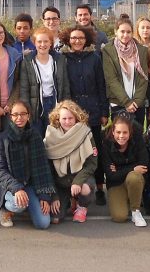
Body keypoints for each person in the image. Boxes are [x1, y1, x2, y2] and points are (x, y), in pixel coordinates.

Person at [0, 99, 58, 229]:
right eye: (15, 114)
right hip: (10, 186)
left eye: (23, 114)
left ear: (28, 115)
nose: (19, 118)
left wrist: (44, 195)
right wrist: (16, 188)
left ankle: (30, 204)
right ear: (10, 117)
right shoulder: (2, 139)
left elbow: (43, 167)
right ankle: (6, 209)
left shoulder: (35, 136)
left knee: (43, 223)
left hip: (31, 185)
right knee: (18, 205)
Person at [62, 24, 108, 203]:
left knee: (95, 151)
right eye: (73, 38)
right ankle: (73, 189)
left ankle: (99, 188)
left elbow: (101, 85)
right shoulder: (63, 58)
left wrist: (104, 111)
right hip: (73, 112)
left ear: (87, 40)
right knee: (73, 150)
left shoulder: (95, 58)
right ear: (68, 40)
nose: (77, 41)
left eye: (81, 38)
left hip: (93, 110)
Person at [44, 100, 98, 223]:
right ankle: (67, 201)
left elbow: (92, 163)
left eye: (71, 118)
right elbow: (48, 169)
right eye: (64, 118)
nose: (67, 122)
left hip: (79, 177)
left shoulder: (85, 133)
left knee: (85, 188)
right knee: (55, 219)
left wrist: (78, 182)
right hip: (60, 182)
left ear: (77, 118)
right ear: (58, 118)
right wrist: (54, 196)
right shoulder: (50, 135)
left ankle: (82, 206)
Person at [101, 115, 148, 226]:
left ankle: (136, 211)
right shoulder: (106, 144)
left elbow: (144, 165)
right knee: (119, 217)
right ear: (113, 132)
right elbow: (111, 176)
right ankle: (127, 198)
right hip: (115, 183)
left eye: (125, 132)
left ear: (130, 132)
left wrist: (119, 169)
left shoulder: (137, 141)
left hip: (132, 180)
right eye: (118, 132)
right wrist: (132, 167)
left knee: (134, 177)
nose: (121, 136)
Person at [102, 17, 149, 126]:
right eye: (122, 31)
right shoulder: (108, 51)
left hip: (138, 103)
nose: (125, 35)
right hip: (118, 102)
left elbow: (144, 77)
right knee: (120, 137)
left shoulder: (141, 50)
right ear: (116, 32)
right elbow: (111, 79)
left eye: (128, 32)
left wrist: (136, 101)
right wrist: (127, 102)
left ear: (132, 33)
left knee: (137, 136)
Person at [21, 26, 70, 125]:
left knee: (53, 135)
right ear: (34, 43)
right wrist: (26, 110)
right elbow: (24, 89)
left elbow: (65, 86)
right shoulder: (27, 61)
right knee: (38, 136)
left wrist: (65, 106)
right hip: (36, 105)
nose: (42, 44)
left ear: (50, 43)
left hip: (55, 102)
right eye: (39, 42)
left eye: (46, 41)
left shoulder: (60, 60)